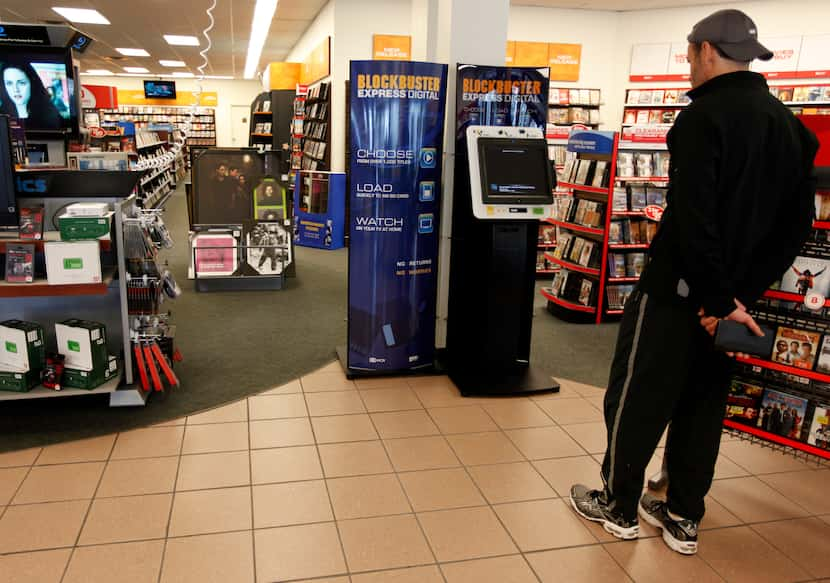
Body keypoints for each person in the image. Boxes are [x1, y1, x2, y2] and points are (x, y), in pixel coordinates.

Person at [569, 9, 818, 556]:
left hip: (677, 295)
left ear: (707, 51)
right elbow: (795, 226)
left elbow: (692, 220)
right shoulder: (791, 129)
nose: (688, 67)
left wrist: (712, 297)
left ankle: (618, 504)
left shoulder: (702, 120)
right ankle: (682, 514)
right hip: (732, 310)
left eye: (688, 56)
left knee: (637, 395)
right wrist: (736, 300)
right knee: (704, 406)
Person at [0, 61, 64, 129]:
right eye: (9, 83)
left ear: (32, 83)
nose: (15, 90)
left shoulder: (50, 116)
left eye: (21, 83)